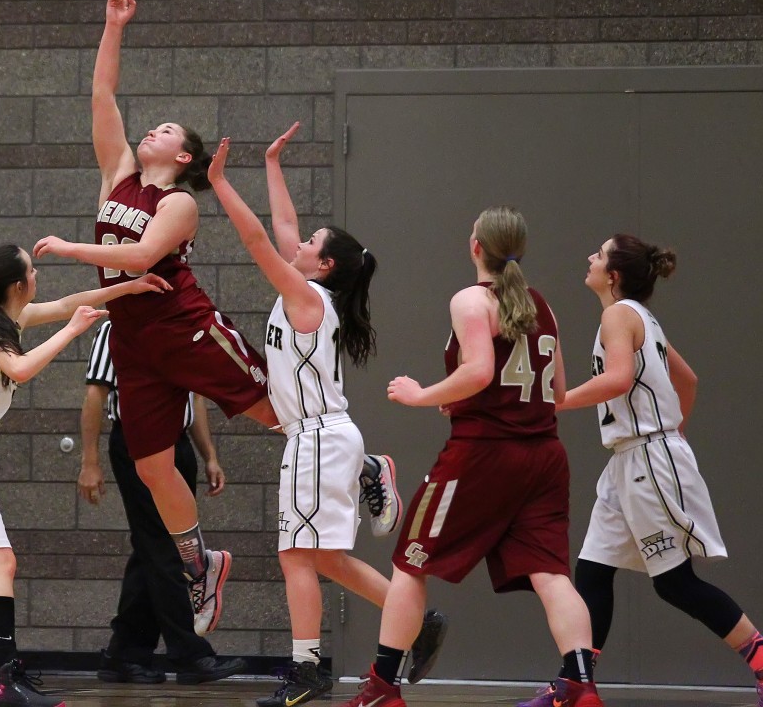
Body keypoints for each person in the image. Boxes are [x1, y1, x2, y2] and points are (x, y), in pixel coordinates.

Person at [33, 0, 399, 635]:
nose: (152, 127)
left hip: (186, 327)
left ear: (183, 157)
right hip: (133, 339)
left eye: (167, 129)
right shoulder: (116, 170)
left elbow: (143, 258)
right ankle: (198, 560)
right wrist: (113, 26)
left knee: (276, 411)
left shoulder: (179, 204)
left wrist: (67, 246)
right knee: (149, 464)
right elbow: (102, 95)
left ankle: (368, 466)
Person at [208, 123, 448, 707]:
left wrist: (218, 183)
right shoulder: (314, 289)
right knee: (326, 561)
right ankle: (416, 619)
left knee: (297, 557)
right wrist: (270, 164)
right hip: (318, 438)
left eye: (312, 242)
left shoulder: (307, 297)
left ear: (324, 265)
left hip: (316, 440)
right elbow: (285, 230)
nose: (301, 241)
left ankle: (307, 669)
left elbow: (260, 242)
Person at [337, 206, 607, 707]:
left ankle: (382, 686)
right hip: (545, 455)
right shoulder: (540, 305)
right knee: (551, 574)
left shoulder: (471, 299)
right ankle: (579, 685)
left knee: (410, 563)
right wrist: (465, 397)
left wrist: (422, 393)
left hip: (484, 454)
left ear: (476, 246)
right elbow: (558, 391)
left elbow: (481, 370)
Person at [0, 244, 170, 707]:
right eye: (33, 270)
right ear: (19, 285)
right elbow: (20, 368)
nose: (39, 276)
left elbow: (67, 303)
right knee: (1, 563)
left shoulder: (5, 318)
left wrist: (131, 287)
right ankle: (6, 679)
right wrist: (73, 331)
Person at [547, 234, 763, 707]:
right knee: (592, 572)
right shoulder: (643, 319)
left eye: (599, 255)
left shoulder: (618, 315)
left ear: (615, 275)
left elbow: (620, 378)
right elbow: (688, 379)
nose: (590, 258)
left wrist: (559, 401)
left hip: (646, 458)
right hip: (631, 460)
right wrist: (674, 431)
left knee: (674, 583)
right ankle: (575, 685)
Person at [79, 318, 248, 684]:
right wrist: (89, 461)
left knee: (151, 550)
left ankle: (124, 653)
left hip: (179, 443)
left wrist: (209, 456)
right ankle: (189, 654)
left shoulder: (180, 323)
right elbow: (95, 395)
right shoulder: (115, 328)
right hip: (138, 444)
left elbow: (195, 397)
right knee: (167, 549)